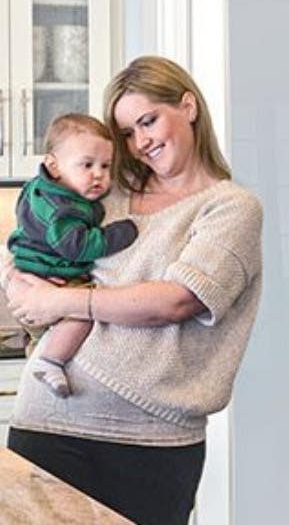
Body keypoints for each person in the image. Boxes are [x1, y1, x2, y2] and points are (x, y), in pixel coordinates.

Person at [1, 55, 263, 525]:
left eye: (148, 120)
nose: (140, 142)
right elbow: (29, 236)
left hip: (151, 444)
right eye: (126, 132)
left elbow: (177, 299)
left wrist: (60, 300)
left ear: (188, 106)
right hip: (49, 425)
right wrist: (18, 282)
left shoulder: (231, 209)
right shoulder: (107, 189)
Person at [7, 113, 138, 398]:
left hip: (31, 278)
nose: (99, 176)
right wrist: (119, 233)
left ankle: (39, 358)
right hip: (54, 279)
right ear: (53, 165)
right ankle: (50, 362)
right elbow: (76, 246)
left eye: (106, 166)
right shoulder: (63, 208)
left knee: (41, 335)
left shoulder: (38, 189)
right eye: (87, 165)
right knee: (81, 315)